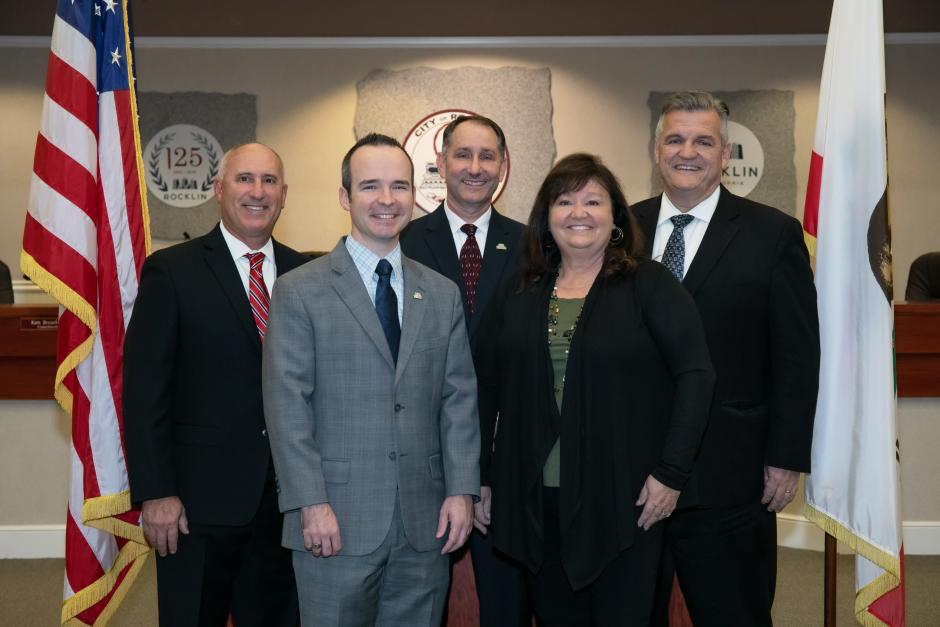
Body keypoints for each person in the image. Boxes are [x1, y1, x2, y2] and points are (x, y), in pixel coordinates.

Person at [474, 153, 715, 625]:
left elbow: (696, 375)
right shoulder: (520, 289)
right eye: (564, 201)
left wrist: (671, 474)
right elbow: (484, 385)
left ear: (615, 217)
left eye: (593, 201)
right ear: (547, 218)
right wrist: (479, 477)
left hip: (625, 500)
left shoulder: (649, 284)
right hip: (534, 502)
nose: (579, 213)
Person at [261, 133, 480, 626]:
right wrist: (309, 502)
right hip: (334, 519)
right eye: (371, 186)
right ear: (345, 197)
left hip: (425, 523)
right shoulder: (299, 291)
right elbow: (286, 406)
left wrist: (462, 489)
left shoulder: (440, 293)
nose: (387, 200)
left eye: (399, 186)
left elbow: (458, 399)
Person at [632, 91, 820, 627]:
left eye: (702, 141)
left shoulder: (773, 234)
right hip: (631, 472)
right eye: (674, 139)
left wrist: (787, 456)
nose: (686, 151)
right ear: (655, 149)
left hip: (731, 476)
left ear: (724, 152)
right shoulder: (620, 229)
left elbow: (797, 355)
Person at [124, 143, 307, 626]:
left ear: (284, 195)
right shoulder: (172, 270)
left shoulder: (308, 274)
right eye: (244, 179)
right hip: (195, 505)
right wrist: (156, 492)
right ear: (218, 189)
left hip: (285, 503)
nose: (257, 191)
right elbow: (145, 393)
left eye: (269, 181)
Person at [400, 114, 529, 626]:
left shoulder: (535, 246)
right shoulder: (403, 241)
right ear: (441, 163)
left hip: (508, 458)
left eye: (487, 156)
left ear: (503, 166)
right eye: (463, 155)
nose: (474, 168)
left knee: (506, 607)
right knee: (415, 606)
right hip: (420, 459)